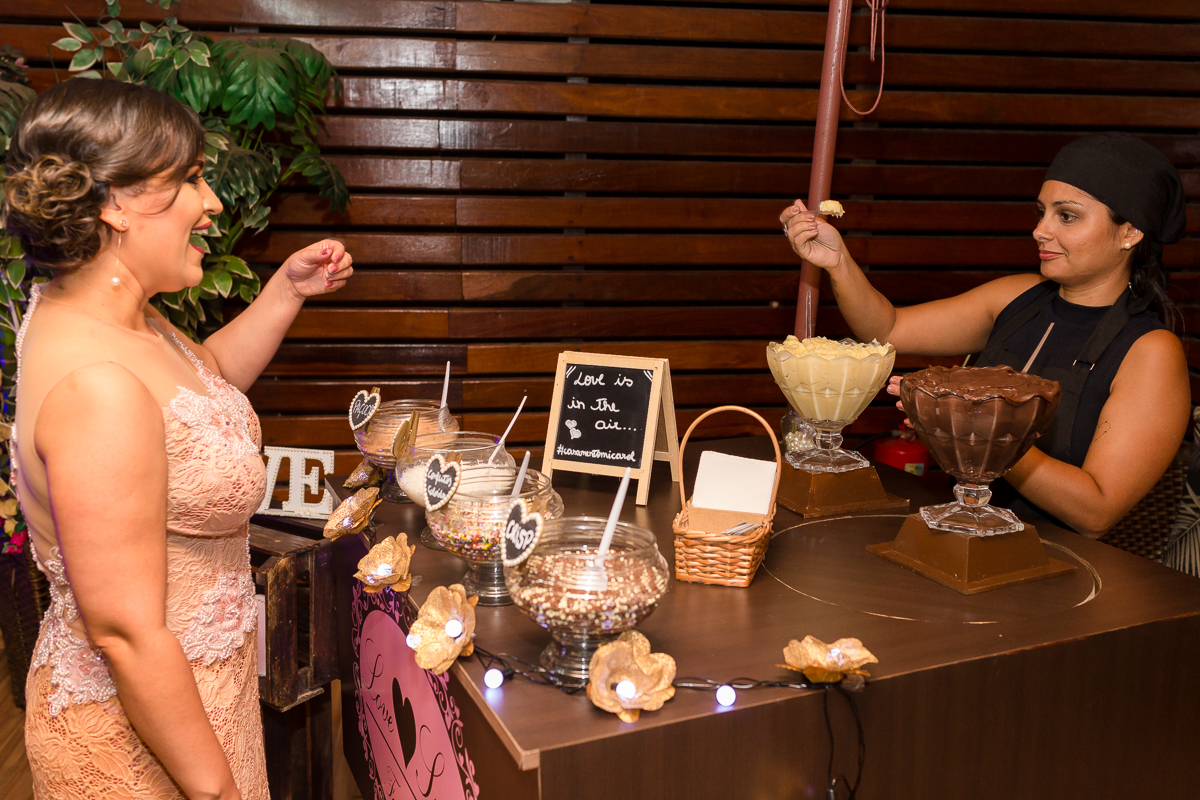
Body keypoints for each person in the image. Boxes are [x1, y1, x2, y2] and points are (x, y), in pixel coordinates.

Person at [2, 80, 353, 798]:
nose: (212, 201)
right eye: (191, 178)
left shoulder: (104, 311)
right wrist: (218, 791)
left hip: (195, 703)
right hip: (143, 747)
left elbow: (201, 382)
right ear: (115, 203)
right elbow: (127, 635)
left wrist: (284, 292)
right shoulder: (97, 388)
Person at [780, 132, 1190, 538]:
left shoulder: (1151, 351)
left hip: (1056, 560)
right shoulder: (1017, 296)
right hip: (955, 533)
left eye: (1066, 216)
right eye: (1041, 212)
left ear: (1130, 233)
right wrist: (838, 261)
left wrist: (980, 433)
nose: (1040, 230)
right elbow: (888, 329)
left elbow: (1096, 512)